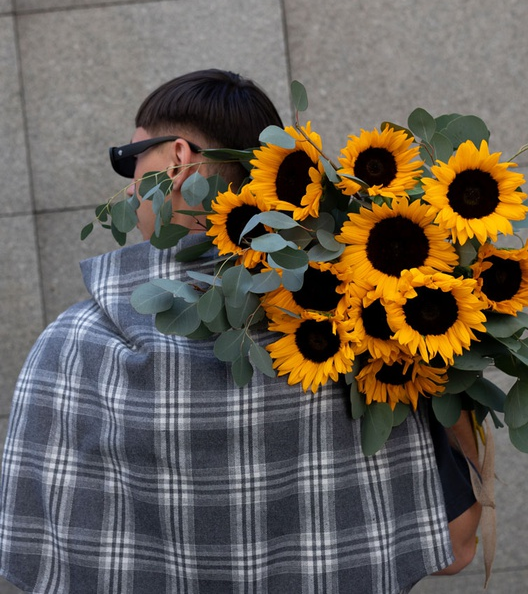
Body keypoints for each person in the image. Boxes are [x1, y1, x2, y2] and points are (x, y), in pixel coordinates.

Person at [0, 69, 480, 593]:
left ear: (178, 160)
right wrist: (453, 378)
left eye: (130, 159)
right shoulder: (362, 337)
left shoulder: (75, 348)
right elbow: (456, 546)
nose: (128, 183)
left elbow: (31, 555)